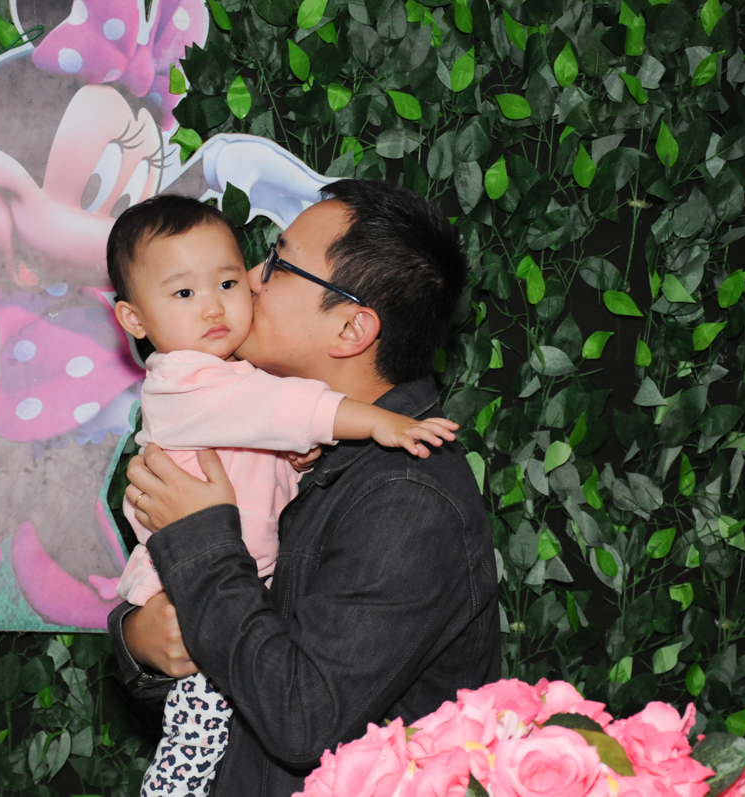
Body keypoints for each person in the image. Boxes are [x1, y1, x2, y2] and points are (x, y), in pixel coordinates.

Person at [112, 179, 503, 797]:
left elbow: (299, 717)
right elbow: (231, 654)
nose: (250, 278)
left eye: (279, 264)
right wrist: (138, 639)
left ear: (351, 329)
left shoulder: (408, 499)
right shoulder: (284, 433)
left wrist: (197, 539)